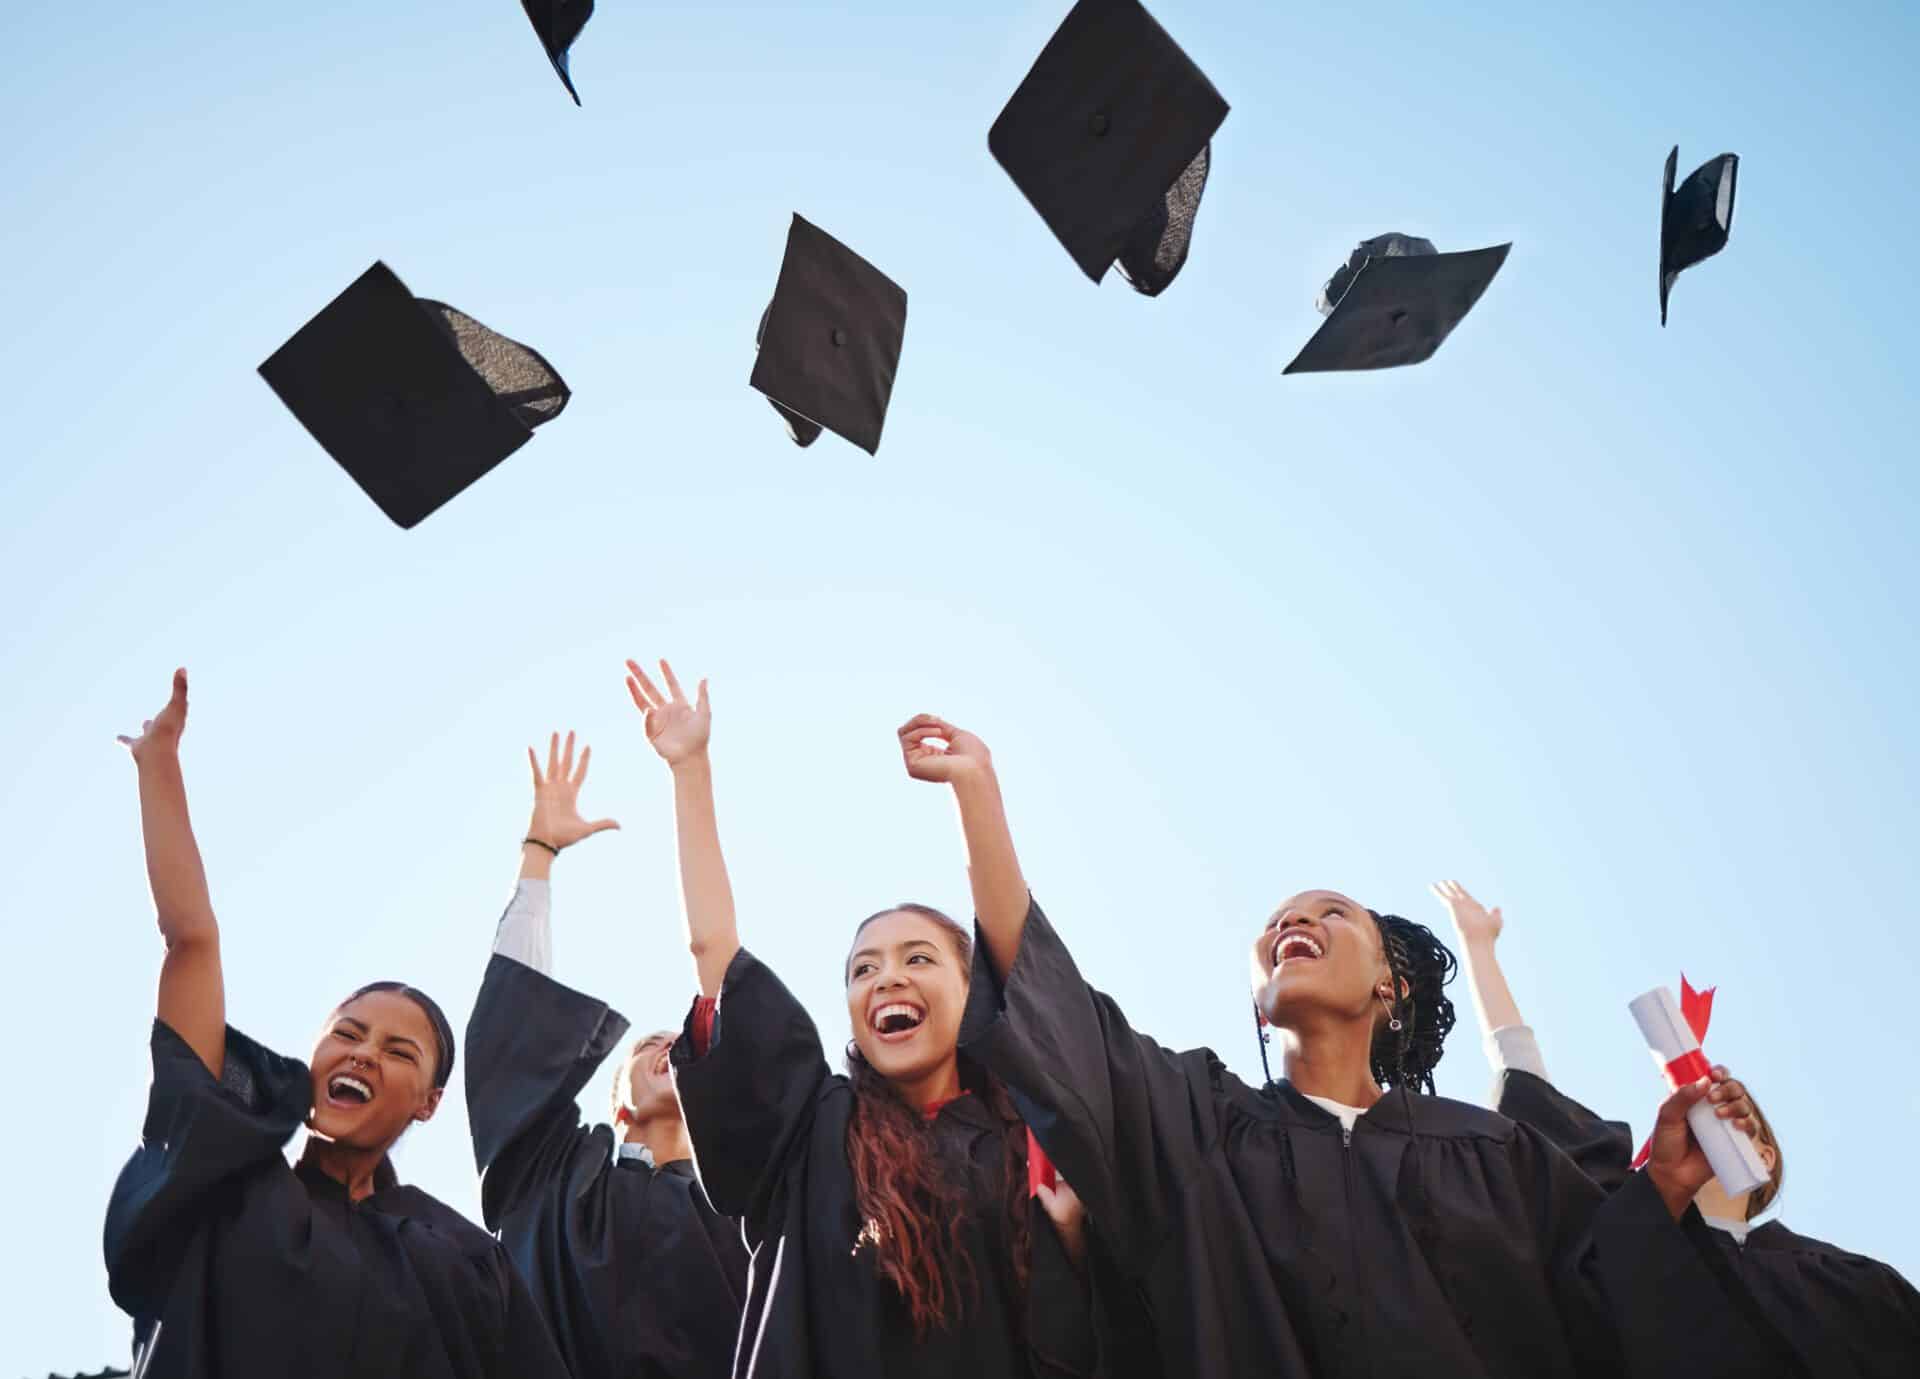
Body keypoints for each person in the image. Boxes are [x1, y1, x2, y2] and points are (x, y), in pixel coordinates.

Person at [902, 710, 1801, 1379]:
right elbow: (1059, 1013)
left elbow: (1610, 1294)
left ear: (1389, 984)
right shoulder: (1198, 1124)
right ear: (1260, 1003)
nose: (1296, 918)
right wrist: (980, 796)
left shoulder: (1497, 1155)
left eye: (1331, 911)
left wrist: (1670, 1187)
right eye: (1277, 921)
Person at [626, 659, 1099, 1379]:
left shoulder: (1026, 1146)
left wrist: (1077, 1242)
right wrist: (690, 770)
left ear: (971, 992)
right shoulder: (816, 1129)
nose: (888, 979)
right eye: (864, 968)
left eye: (917, 958)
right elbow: (714, 954)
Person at [103, 670, 571, 1379]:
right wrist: (160, 767)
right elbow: (191, 941)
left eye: (398, 1049)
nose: (364, 1054)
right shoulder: (231, 1179)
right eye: (348, 1033)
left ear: (429, 1100)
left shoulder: (469, 1260)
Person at [1433, 879, 1920, 1378]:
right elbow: (1525, 1076)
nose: (1709, 1115)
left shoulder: (1855, 1285)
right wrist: (1478, 948)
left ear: (1766, 1156)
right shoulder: (1618, 1237)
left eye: (1732, 1111)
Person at [464, 730, 749, 1379]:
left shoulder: (751, 1212)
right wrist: (538, 855)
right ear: (614, 1095)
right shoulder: (552, 1178)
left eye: (685, 1044)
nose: (671, 1046)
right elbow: (514, 1026)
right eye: (652, 1044)